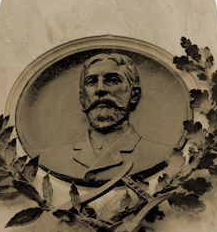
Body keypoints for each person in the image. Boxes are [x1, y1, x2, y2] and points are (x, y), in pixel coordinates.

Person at [39, 52, 173, 186]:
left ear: (134, 95)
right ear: (82, 98)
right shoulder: (50, 157)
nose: (100, 89)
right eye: (91, 82)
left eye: (113, 80)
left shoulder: (162, 154)